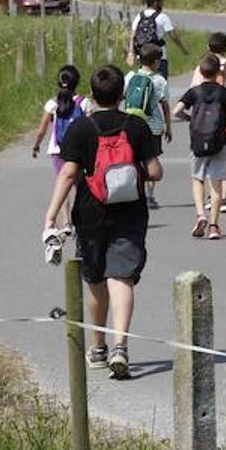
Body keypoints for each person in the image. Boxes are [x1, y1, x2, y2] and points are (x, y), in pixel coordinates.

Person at [40, 65, 163, 380]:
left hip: (90, 213)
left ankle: (98, 348)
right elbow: (155, 172)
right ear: (122, 95)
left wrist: (52, 215)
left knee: (95, 280)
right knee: (122, 278)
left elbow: (68, 173)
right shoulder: (136, 126)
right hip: (131, 212)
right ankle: (121, 346)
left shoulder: (81, 128)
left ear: (92, 95)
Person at [175, 53, 226, 240]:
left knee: (198, 178)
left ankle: (200, 215)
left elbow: (176, 111)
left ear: (201, 71)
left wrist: (190, 119)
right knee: (217, 181)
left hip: (197, 140)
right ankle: (214, 226)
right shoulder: (224, 92)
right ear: (218, 72)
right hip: (221, 140)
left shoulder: (194, 92)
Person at [32, 65, 92, 262]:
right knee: (80, 187)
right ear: (77, 83)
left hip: (58, 151)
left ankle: (66, 223)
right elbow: (92, 128)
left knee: (62, 185)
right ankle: (80, 220)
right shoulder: (84, 103)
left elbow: (42, 129)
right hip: (81, 151)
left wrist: (36, 145)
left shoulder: (52, 104)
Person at [190, 32, 226, 215]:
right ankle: (224, 198)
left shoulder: (203, 66)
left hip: (206, 120)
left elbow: (195, 89)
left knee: (207, 155)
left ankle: (211, 196)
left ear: (209, 47)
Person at [123, 44, 172, 209]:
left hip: (131, 124)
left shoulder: (130, 76)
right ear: (157, 62)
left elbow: (123, 96)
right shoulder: (159, 81)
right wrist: (169, 126)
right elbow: (164, 105)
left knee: (134, 159)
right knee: (152, 159)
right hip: (153, 126)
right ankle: (150, 196)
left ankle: (136, 192)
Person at [128, 0, 188, 78]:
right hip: (159, 57)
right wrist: (183, 49)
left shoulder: (139, 16)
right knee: (161, 84)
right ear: (155, 2)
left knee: (145, 82)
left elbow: (133, 36)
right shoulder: (162, 17)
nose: (162, 3)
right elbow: (174, 37)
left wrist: (131, 52)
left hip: (143, 57)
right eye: (161, 1)